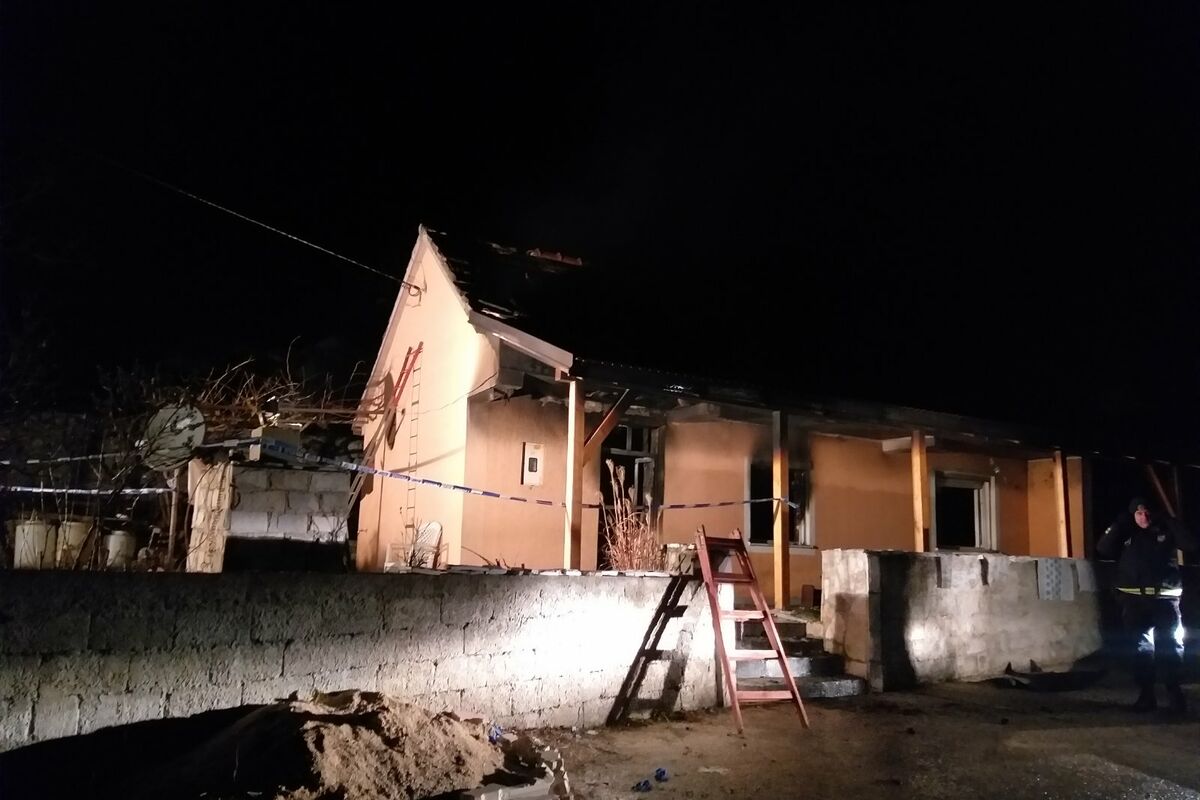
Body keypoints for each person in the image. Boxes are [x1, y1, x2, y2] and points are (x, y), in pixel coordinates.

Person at [1096, 497, 1196, 714]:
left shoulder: (1166, 530)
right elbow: (1103, 548)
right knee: (1139, 649)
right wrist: (1118, 524)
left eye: (1147, 512)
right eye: (1139, 513)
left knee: (1170, 646)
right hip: (1135, 602)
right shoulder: (1126, 532)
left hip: (1164, 600)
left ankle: (1174, 694)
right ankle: (1146, 695)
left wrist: (1171, 522)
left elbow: (1190, 544)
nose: (1144, 517)